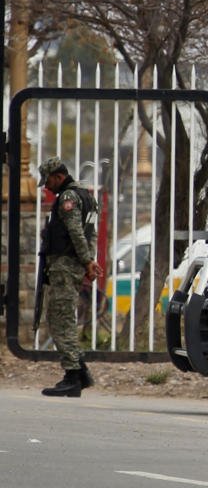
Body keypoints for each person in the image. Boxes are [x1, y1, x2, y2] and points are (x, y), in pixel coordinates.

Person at [37, 156, 103, 397]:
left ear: (59, 176)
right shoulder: (87, 196)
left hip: (65, 267)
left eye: (49, 181)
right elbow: (92, 233)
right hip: (71, 266)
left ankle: (73, 376)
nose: (47, 187)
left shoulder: (68, 198)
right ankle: (80, 373)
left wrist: (87, 262)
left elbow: (77, 232)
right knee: (62, 317)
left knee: (60, 319)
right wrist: (88, 261)